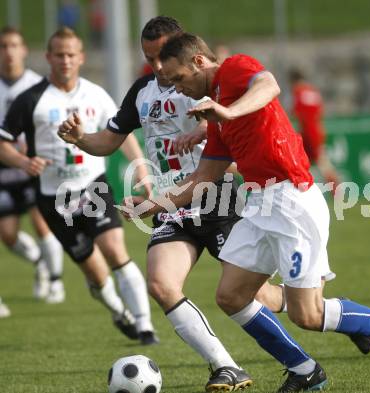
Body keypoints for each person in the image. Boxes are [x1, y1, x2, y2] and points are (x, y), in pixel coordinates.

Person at [117, 33, 370, 392]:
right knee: (231, 296)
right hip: (260, 204)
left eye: (179, 79)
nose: (176, 88)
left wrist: (228, 112)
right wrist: (150, 205)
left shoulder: (233, 70)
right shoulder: (215, 115)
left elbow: (269, 84)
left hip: (292, 201)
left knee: (307, 314)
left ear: (200, 63)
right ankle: (303, 369)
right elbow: (202, 180)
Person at [58, 16, 291, 392]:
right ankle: (226, 367)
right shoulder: (142, 91)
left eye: (162, 57)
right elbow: (108, 141)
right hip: (171, 202)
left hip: (216, 197)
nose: (158, 67)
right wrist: (80, 139)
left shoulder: (206, 82)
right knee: (162, 284)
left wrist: (208, 124)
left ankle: (331, 314)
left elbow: (245, 108)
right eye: (149, 59)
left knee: (266, 297)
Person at [0, 27, 156, 345]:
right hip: (54, 198)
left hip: (92, 186)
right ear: (48, 57)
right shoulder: (30, 100)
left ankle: (145, 326)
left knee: (115, 249)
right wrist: (22, 162)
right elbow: (2, 143)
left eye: (72, 54)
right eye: (59, 54)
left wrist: (141, 167)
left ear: (81, 57)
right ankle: (118, 312)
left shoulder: (96, 95)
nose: (66, 60)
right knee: (95, 273)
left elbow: (119, 132)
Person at [0, 26, 64, 304]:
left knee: (42, 224)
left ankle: (56, 281)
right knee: (8, 235)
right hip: (4, 168)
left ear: (24, 50)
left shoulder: (36, 85)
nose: (9, 52)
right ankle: (39, 260)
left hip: (34, 166)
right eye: (3, 46)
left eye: (14, 45)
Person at [289, 69, 340, 191]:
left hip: (307, 132)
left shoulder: (298, 91)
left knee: (319, 163)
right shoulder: (313, 91)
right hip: (317, 129)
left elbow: (295, 112)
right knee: (313, 162)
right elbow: (320, 111)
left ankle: (336, 190)